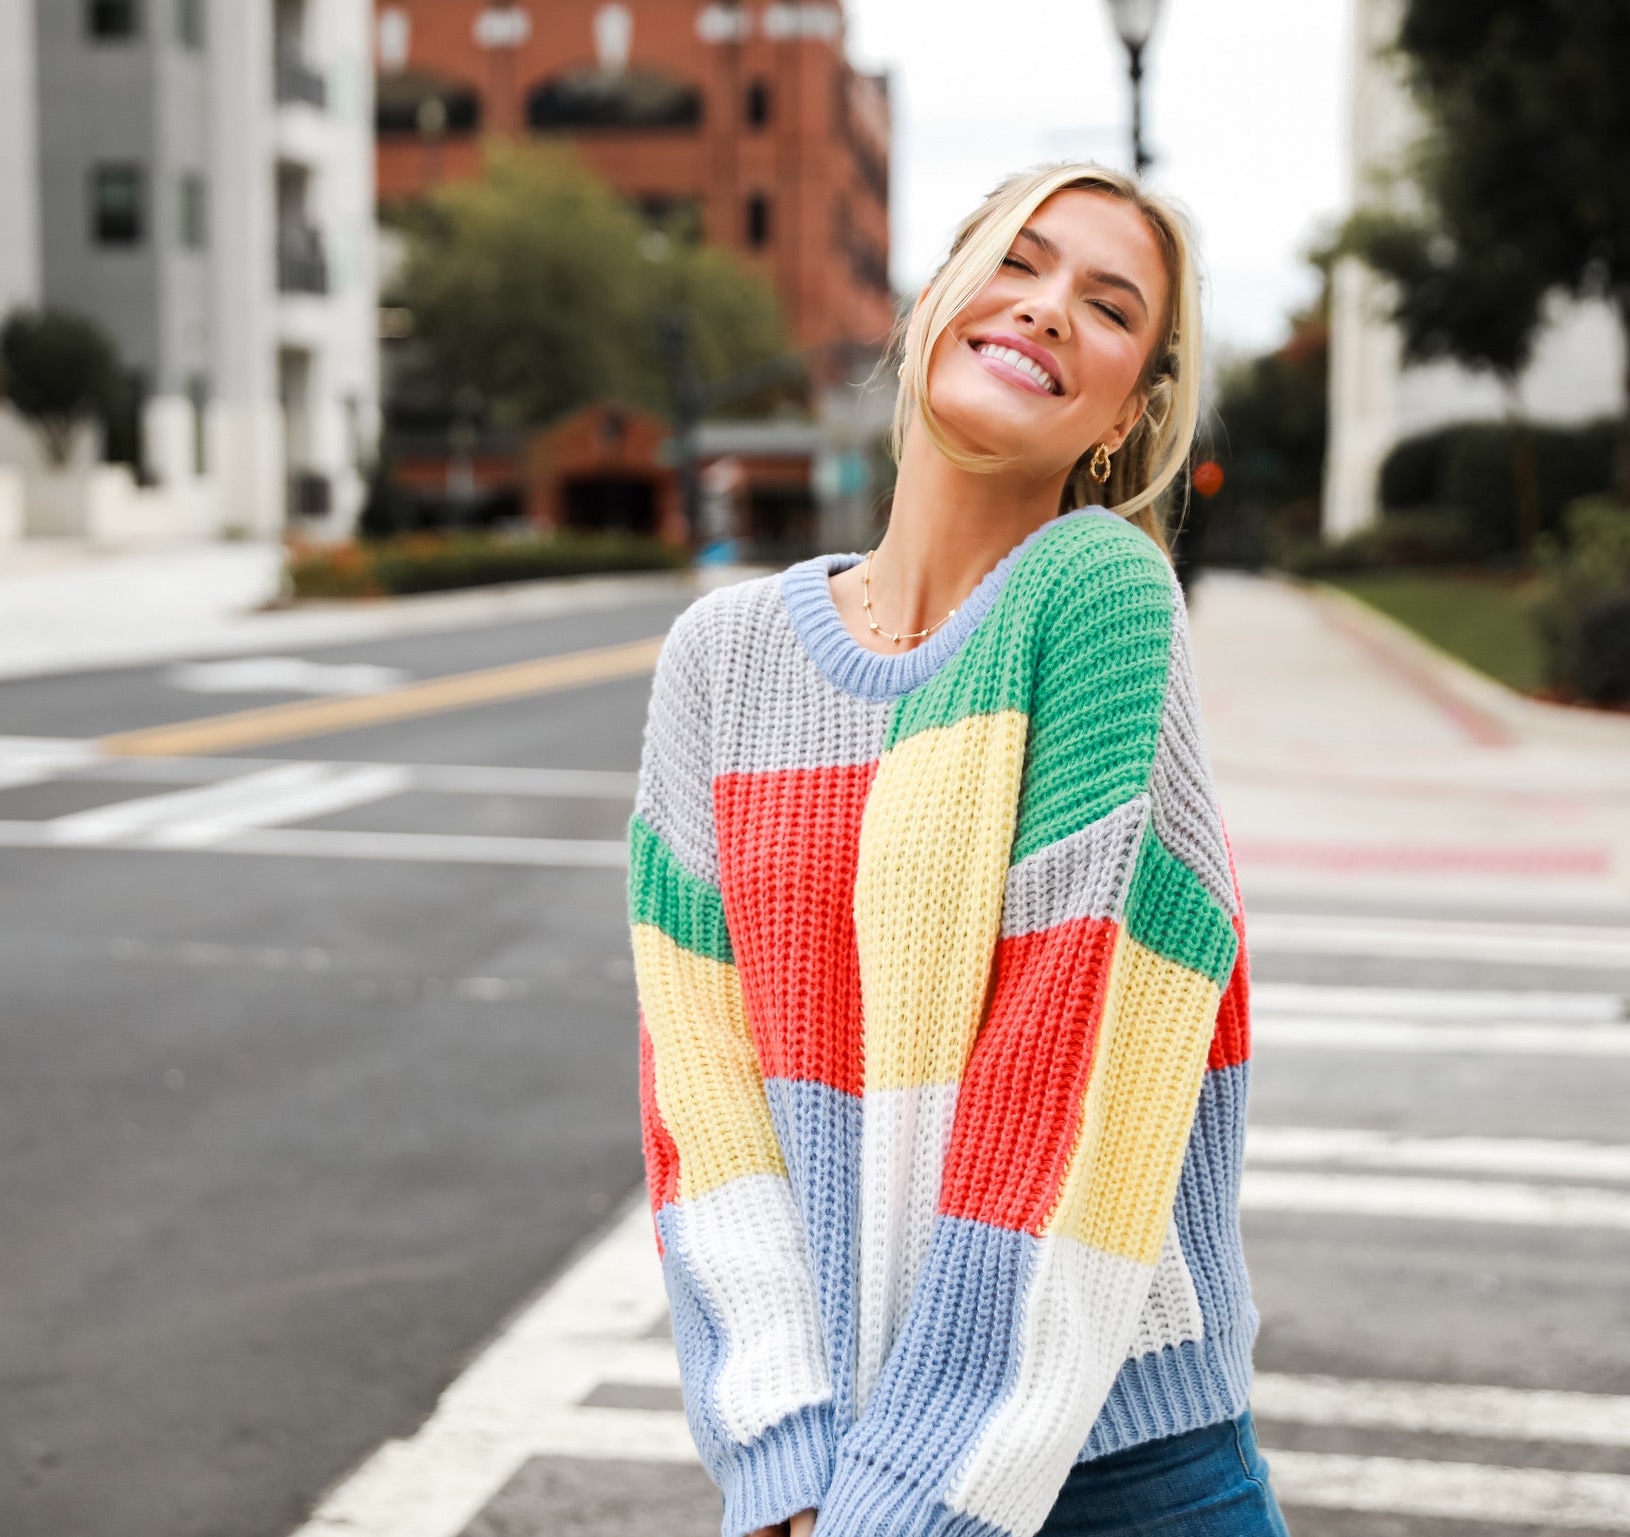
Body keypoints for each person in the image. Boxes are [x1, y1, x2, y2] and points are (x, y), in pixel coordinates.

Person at [627, 163, 1285, 1537]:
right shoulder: (719, 659)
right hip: (841, 1469)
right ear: (932, 300)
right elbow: (702, 1094)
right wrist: (787, 1457)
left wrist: (898, 1502)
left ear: (1131, 409)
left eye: (1107, 307)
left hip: (1118, 1468)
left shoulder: (1095, 594)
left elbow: (1071, 1067)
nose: (1046, 310)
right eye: (1017, 262)